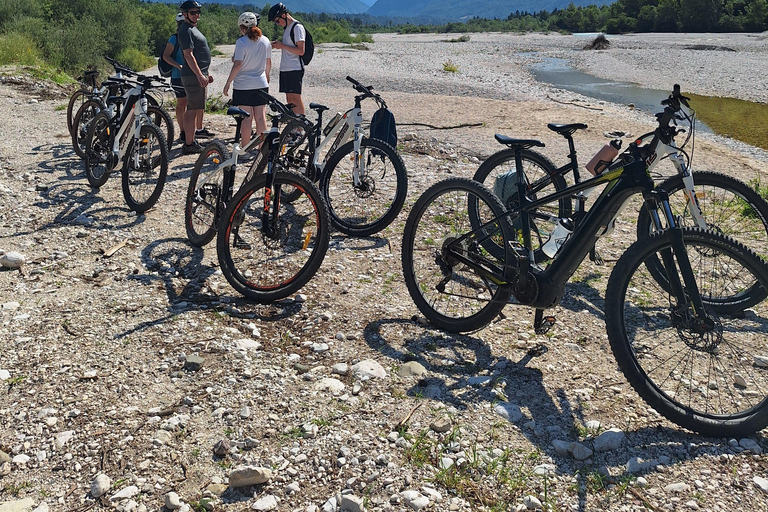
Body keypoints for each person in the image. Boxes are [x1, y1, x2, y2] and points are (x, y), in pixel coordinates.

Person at [222, 12, 271, 150]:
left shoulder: (241, 42)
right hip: (261, 83)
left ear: (242, 27)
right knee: (261, 118)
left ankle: (245, 148)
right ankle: (262, 149)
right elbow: (268, 63)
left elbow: (238, 64)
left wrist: (227, 83)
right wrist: (267, 78)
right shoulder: (266, 41)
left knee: (246, 118)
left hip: (243, 85)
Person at [178, 0, 216, 155]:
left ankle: (191, 140)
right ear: (185, 14)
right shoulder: (185, 30)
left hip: (198, 74)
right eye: (193, 13)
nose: (196, 15)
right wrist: (200, 74)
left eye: (198, 12)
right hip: (193, 75)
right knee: (192, 109)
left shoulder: (192, 29)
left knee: (195, 108)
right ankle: (189, 144)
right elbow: (188, 55)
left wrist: (205, 73)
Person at [162, 12, 200, 144]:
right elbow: (166, 56)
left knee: (191, 104)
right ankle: (183, 131)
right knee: (182, 103)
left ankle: (190, 133)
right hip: (178, 76)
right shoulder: (174, 38)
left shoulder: (191, 36)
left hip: (190, 75)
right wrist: (178, 65)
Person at [268, 2, 305, 116]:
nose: (277, 23)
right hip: (285, 68)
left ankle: (301, 127)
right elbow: (290, 47)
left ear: (283, 15)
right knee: (289, 99)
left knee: (296, 98)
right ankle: (293, 126)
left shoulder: (297, 27)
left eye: (277, 21)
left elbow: (301, 50)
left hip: (295, 68)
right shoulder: (287, 28)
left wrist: (282, 46)